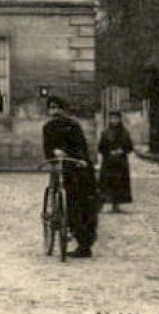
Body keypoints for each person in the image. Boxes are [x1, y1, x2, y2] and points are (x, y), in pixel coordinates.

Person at [42, 96, 98, 258]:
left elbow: (81, 147)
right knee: (68, 197)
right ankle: (64, 221)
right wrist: (54, 153)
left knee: (83, 202)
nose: (54, 111)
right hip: (61, 167)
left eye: (57, 107)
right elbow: (47, 149)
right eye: (51, 108)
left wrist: (78, 158)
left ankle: (84, 243)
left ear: (63, 110)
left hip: (78, 166)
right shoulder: (47, 128)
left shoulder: (73, 126)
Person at [98, 111, 135, 212]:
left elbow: (130, 147)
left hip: (120, 163)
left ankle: (116, 205)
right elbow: (100, 147)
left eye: (116, 118)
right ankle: (102, 204)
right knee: (106, 182)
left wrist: (122, 150)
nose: (114, 121)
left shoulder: (124, 133)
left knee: (119, 183)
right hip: (108, 162)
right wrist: (109, 152)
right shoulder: (105, 133)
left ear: (120, 119)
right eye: (112, 118)